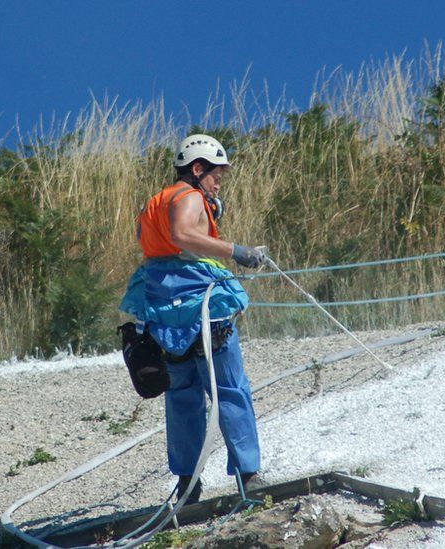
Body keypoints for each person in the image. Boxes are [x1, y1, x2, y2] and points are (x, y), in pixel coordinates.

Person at [119, 134, 266, 504]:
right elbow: (183, 236)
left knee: (182, 397)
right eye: (216, 175)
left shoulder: (154, 202)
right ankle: (249, 476)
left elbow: (156, 247)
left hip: (164, 312)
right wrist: (237, 251)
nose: (218, 183)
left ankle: (188, 484)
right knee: (229, 389)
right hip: (202, 304)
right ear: (197, 169)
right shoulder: (188, 196)